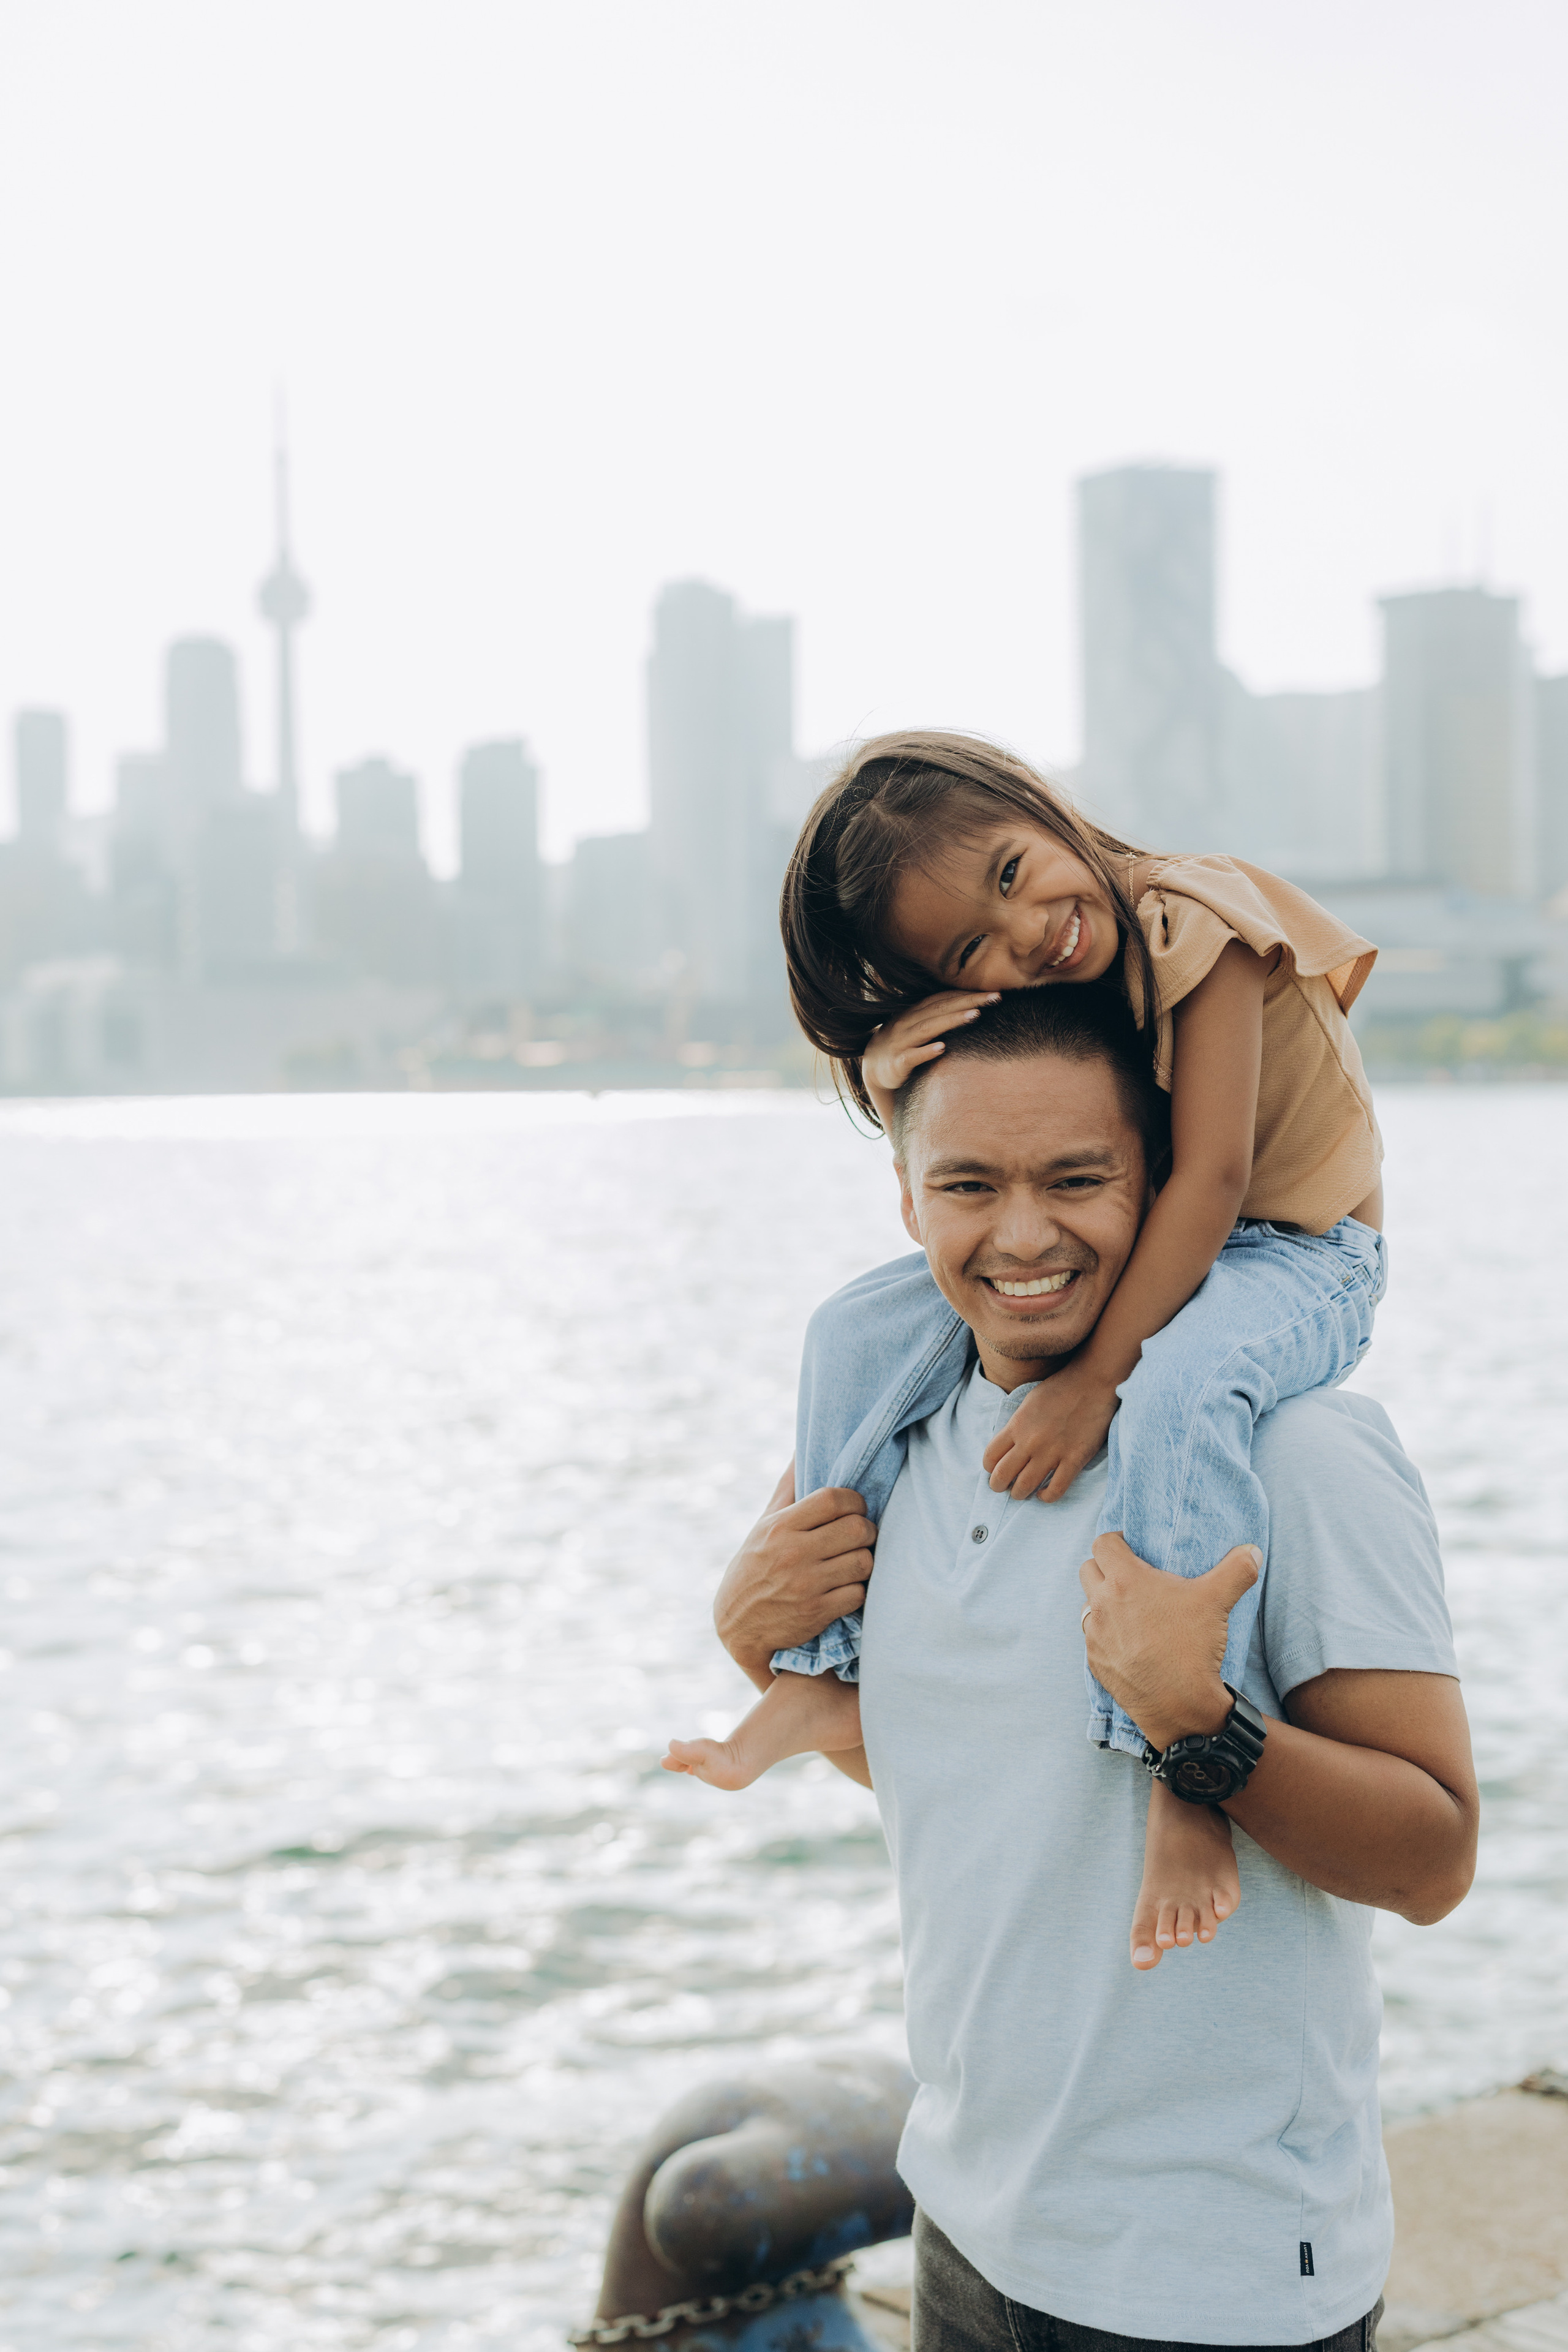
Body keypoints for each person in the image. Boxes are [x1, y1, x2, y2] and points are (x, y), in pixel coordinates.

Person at [706, 988, 1477, 2351]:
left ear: (1163, 1189)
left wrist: (1200, 1723)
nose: (1022, 1233)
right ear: (905, 1202)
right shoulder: (908, 1438)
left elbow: (1431, 1863)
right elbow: (965, 1788)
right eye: (967, 1184)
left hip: (1212, 2271)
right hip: (969, 2216)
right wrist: (746, 1636)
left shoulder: (1299, 1453)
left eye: (1078, 1180)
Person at [666, 732, 1386, 1967]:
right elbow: (1002, 1111)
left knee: (1177, 1390)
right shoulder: (1065, 982)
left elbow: (1207, 1178)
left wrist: (1094, 1381)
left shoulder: (1188, 921)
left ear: (1036, 809)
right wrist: (884, 1063)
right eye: (967, 955)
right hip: (1184, 1245)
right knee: (851, 1328)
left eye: (1010, 874)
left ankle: (1177, 1774)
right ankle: (817, 1667)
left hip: (1297, 1252)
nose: (1025, 938)